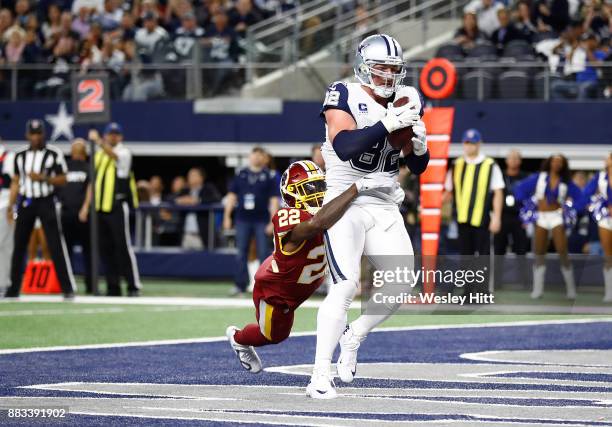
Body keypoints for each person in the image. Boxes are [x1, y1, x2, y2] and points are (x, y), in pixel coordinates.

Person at [307, 34, 429, 399]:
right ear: (364, 66)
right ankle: (318, 374)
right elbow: (345, 147)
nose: (388, 75)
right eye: (381, 68)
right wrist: (386, 125)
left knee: (401, 281)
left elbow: (418, 165)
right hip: (345, 198)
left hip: (383, 200)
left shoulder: (408, 98)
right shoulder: (343, 92)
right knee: (345, 285)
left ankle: (355, 334)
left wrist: (419, 145)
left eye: (394, 69)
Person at [226, 161, 397, 372]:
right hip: (276, 290)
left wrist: (383, 200)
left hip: (305, 283)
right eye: (308, 188)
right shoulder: (287, 216)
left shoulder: (332, 211)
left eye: (319, 186)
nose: (316, 192)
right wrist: (356, 187)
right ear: (291, 194)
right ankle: (238, 338)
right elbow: (316, 224)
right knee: (272, 336)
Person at [4, 119, 76, 299]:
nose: (36, 137)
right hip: (26, 202)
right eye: (33, 133)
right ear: (27, 135)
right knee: (19, 245)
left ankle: (67, 288)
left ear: (43, 134)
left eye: (39, 133)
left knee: (55, 244)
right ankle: (13, 288)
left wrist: (43, 179)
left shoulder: (53, 153)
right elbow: (15, 182)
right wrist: (11, 205)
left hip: (46, 201)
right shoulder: (19, 156)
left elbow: (63, 179)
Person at [444, 129, 504, 296]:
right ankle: (468, 292)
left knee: (483, 256)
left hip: (482, 218)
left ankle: (483, 291)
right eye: (467, 143)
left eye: (473, 143)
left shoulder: (490, 165)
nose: (469, 146)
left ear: (479, 144)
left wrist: (497, 217)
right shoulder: (457, 165)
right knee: (466, 256)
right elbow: (448, 192)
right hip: (462, 218)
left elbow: (498, 192)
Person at [514, 154, 583, 299]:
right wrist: (529, 203)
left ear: (563, 165)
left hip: (557, 216)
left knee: (562, 251)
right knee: (539, 252)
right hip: (541, 217)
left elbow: (580, 198)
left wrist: (570, 207)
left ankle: (571, 290)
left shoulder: (566, 182)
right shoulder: (539, 178)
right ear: (549, 163)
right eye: (554, 161)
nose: (557, 164)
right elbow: (519, 190)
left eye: (560, 162)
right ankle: (538, 289)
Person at [86, 123, 141, 297]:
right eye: (110, 134)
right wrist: (87, 205)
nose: (113, 137)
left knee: (123, 247)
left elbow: (115, 156)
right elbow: (92, 181)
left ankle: (133, 285)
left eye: (116, 134)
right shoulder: (98, 155)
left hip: (116, 206)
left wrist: (99, 141)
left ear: (121, 137)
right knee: (105, 249)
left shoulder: (124, 152)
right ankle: (113, 286)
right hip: (100, 207)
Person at [223, 147, 279, 296]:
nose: (257, 158)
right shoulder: (241, 175)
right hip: (242, 219)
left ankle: (263, 286)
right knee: (241, 252)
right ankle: (240, 285)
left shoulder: (269, 176)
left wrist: (272, 221)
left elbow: (274, 200)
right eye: (255, 155)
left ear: (264, 158)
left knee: (263, 253)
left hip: (261, 220)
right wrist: (227, 216)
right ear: (250, 156)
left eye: (260, 155)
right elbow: (231, 197)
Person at [58, 138, 92, 293]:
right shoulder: (65, 167)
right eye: (75, 147)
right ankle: (66, 285)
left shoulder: (89, 167)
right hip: (66, 213)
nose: (77, 149)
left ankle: (91, 284)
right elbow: (58, 186)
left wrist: (85, 207)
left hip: (83, 214)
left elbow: (91, 187)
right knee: (66, 251)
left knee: (89, 251)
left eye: (80, 147)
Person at [494, 149, 529, 287]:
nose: (513, 161)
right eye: (511, 158)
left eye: (516, 158)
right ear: (506, 160)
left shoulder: (525, 177)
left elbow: (530, 198)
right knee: (499, 249)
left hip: (519, 217)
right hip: (502, 216)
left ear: (520, 161)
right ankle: (496, 281)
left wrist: (527, 218)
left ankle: (524, 281)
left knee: (521, 249)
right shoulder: (500, 176)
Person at [581, 152, 612, 302]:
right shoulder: (600, 177)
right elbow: (586, 194)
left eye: (609, 157)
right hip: (606, 220)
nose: (606, 159)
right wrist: (593, 205)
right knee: (608, 256)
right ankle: (609, 292)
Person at [175, 167, 221, 250]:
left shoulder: (208, 189)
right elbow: (170, 199)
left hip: (201, 235)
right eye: (189, 175)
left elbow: (217, 199)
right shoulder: (184, 191)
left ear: (201, 177)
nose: (190, 177)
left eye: (193, 175)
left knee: (201, 261)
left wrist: (198, 200)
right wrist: (179, 200)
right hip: (186, 235)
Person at [0, 141, 14, 295]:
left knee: (5, 246)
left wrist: (11, 205)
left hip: (3, 204)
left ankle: (5, 282)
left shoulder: (8, 157)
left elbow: (13, 182)